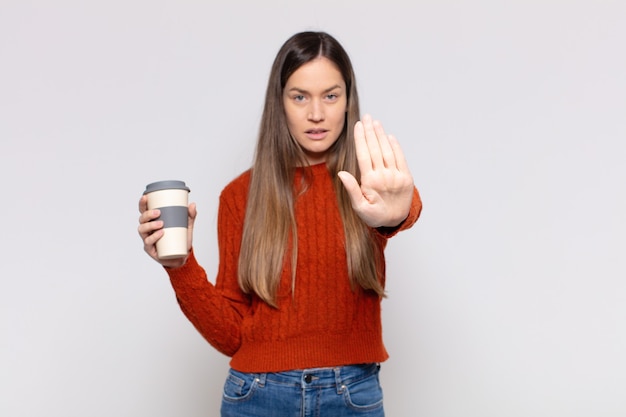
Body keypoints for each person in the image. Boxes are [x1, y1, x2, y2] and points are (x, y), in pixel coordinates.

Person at [138, 31, 422, 417]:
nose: (316, 113)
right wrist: (179, 267)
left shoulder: (368, 185)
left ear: (348, 101)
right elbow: (231, 335)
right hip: (258, 395)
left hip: (351, 392)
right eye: (300, 96)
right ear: (280, 102)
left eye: (331, 95)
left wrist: (394, 216)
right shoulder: (240, 196)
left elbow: (404, 208)